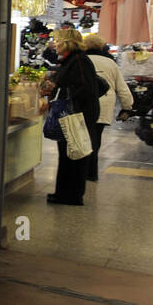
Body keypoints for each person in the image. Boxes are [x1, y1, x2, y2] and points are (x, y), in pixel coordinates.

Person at [40, 27, 102, 206]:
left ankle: (72, 195)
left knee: (74, 156)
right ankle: (63, 193)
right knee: (67, 155)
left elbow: (84, 88)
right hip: (73, 115)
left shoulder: (79, 61)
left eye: (58, 40)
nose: (55, 44)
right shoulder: (72, 60)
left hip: (76, 116)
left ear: (68, 42)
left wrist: (59, 90)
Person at [83, 33, 133, 182]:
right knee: (96, 137)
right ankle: (92, 173)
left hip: (85, 103)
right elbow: (121, 87)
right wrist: (127, 107)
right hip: (104, 104)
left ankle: (83, 170)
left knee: (83, 136)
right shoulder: (110, 63)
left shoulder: (82, 60)